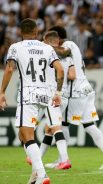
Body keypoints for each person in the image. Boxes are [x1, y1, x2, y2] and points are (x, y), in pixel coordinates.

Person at [0, 18, 64, 184]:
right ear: (36, 33)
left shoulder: (15, 47)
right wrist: (58, 92)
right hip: (44, 97)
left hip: (27, 95)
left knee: (27, 136)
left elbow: (9, 69)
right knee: (23, 135)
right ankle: (36, 175)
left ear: (20, 32)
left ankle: (42, 175)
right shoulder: (47, 48)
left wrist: (2, 92)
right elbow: (60, 69)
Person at [44, 25, 103, 170]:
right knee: (89, 125)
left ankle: (62, 160)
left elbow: (64, 53)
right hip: (86, 90)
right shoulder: (74, 50)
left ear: (56, 38)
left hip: (75, 93)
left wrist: (47, 48)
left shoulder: (68, 45)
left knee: (63, 124)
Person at [27, 30, 73, 170]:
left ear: (46, 41)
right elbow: (66, 51)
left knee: (55, 126)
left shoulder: (45, 51)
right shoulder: (66, 55)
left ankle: (64, 159)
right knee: (49, 128)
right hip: (64, 95)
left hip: (53, 94)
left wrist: (43, 45)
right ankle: (37, 158)